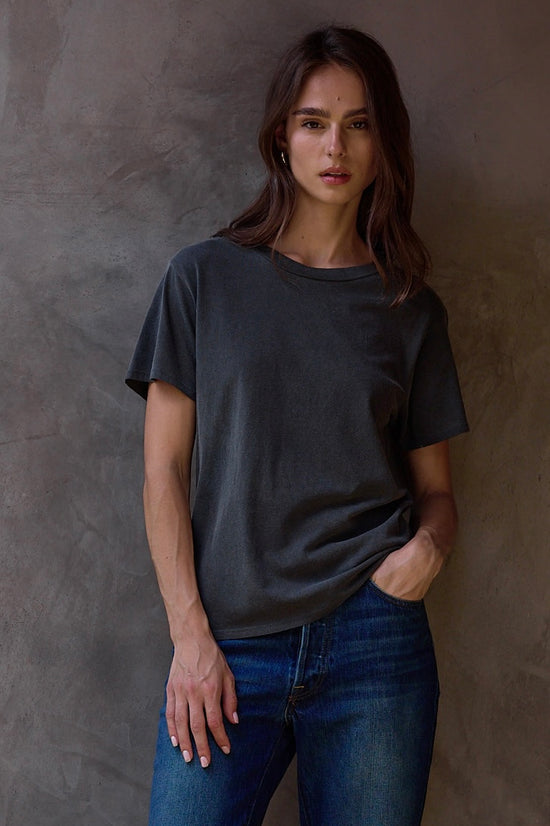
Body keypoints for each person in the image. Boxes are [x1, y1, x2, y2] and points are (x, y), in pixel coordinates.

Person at [126, 25, 468, 826]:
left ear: (384, 143)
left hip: (374, 648)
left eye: (359, 123)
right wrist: (191, 639)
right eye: (314, 121)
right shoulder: (202, 279)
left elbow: (437, 494)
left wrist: (428, 550)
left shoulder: (410, 311)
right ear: (281, 138)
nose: (335, 145)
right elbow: (162, 474)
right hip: (230, 644)